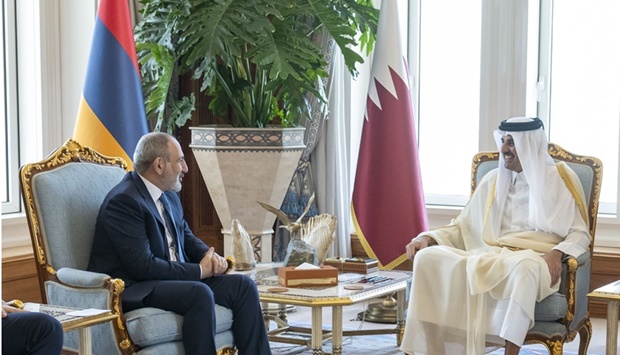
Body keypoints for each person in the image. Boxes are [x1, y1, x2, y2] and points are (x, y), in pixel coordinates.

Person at [400, 117, 590, 355]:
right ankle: (432, 349)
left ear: (529, 144)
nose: (503, 150)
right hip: (490, 253)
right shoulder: (493, 180)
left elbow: (580, 233)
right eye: (503, 141)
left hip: (535, 257)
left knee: (525, 269)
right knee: (428, 258)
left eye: (511, 143)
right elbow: (462, 227)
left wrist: (556, 252)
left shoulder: (560, 180)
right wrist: (426, 238)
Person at [88, 132, 272, 355]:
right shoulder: (124, 201)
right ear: (159, 165)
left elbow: (186, 237)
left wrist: (210, 257)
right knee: (199, 292)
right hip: (139, 285)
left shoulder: (169, 195)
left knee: (244, 287)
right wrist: (198, 271)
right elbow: (143, 265)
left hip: (173, 279)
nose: (185, 168)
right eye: (180, 161)